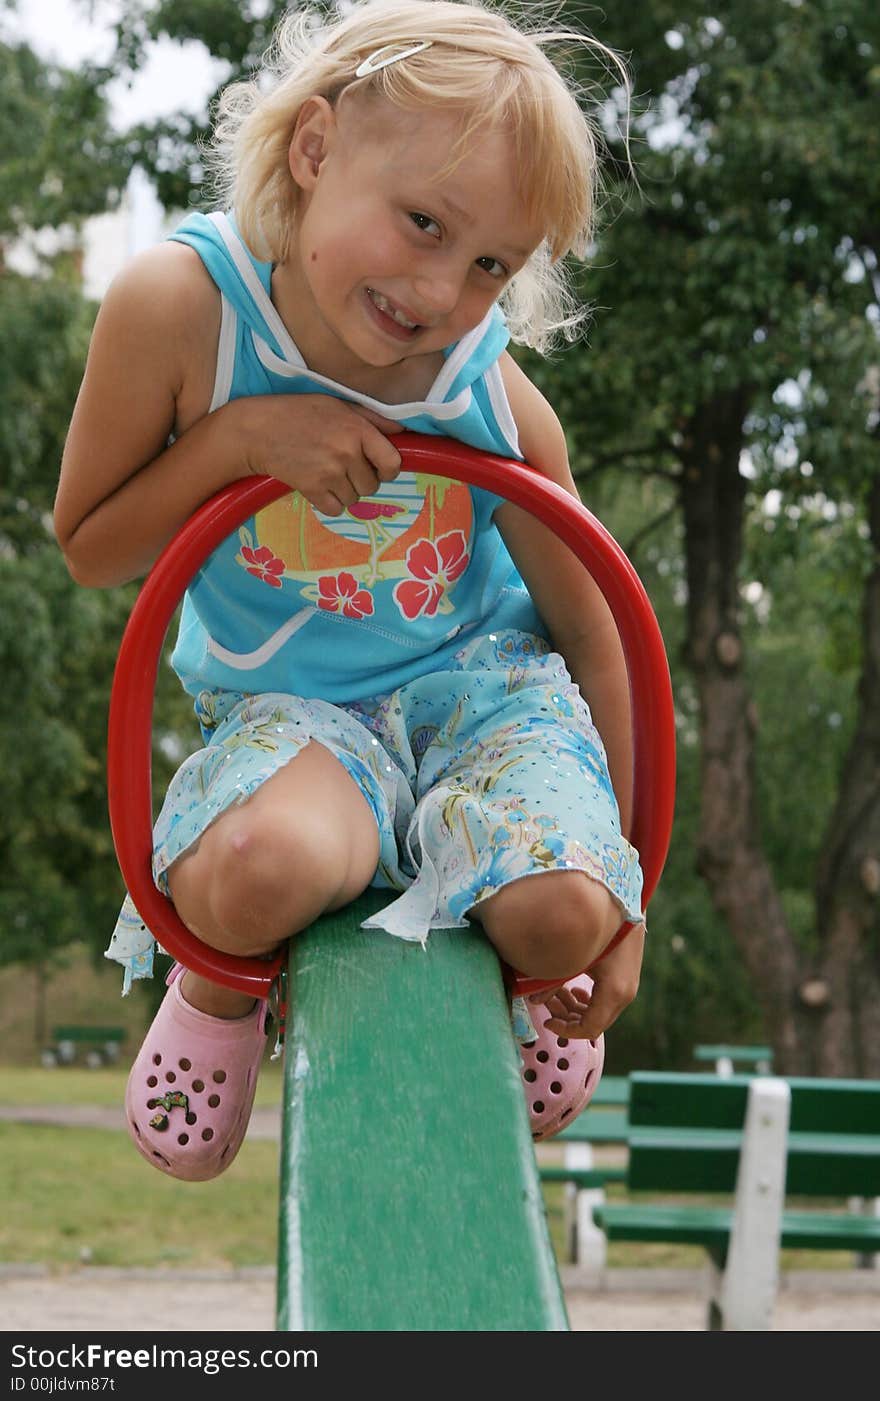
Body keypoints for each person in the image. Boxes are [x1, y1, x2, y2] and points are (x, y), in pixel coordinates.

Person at [55, 0, 645, 1181]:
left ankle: (528, 972)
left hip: (484, 704)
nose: (441, 290)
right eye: (423, 223)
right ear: (315, 150)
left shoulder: (490, 393)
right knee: (257, 873)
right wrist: (238, 440)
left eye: (490, 263)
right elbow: (92, 546)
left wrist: (634, 895)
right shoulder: (182, 311)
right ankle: (221, 993)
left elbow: (594, 621)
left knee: (563, 913)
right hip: (296, 717)